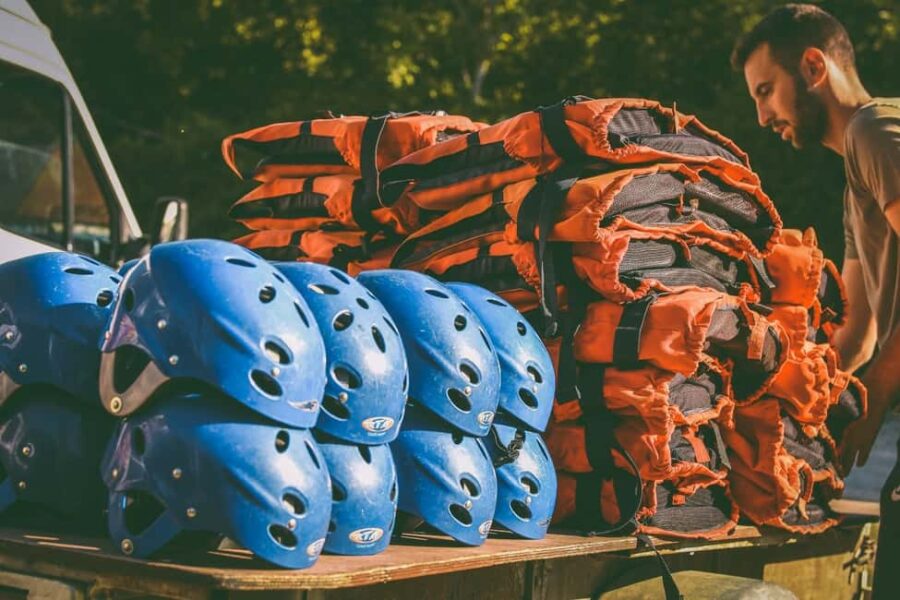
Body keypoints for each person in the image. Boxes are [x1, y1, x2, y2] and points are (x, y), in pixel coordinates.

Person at [731, 4, 899, 598]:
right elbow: (857, 333)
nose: (761, 115)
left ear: (812, 66)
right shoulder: (859, 174)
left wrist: (875, 398)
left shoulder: (875, 131)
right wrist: (777, 399)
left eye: (766, 91)